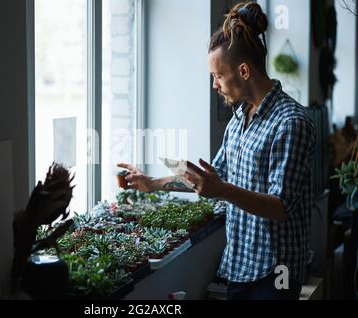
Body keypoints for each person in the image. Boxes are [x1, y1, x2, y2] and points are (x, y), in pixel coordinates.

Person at [117, 1, 315, 300]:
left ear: (244, 70)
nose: (215, 85)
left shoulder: (291, 123)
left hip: (276, 274)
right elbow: (215, 176)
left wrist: (221, 190)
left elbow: (280, 206)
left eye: (218, 76)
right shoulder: (238, 119)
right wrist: (153, 183)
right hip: (240, 267)